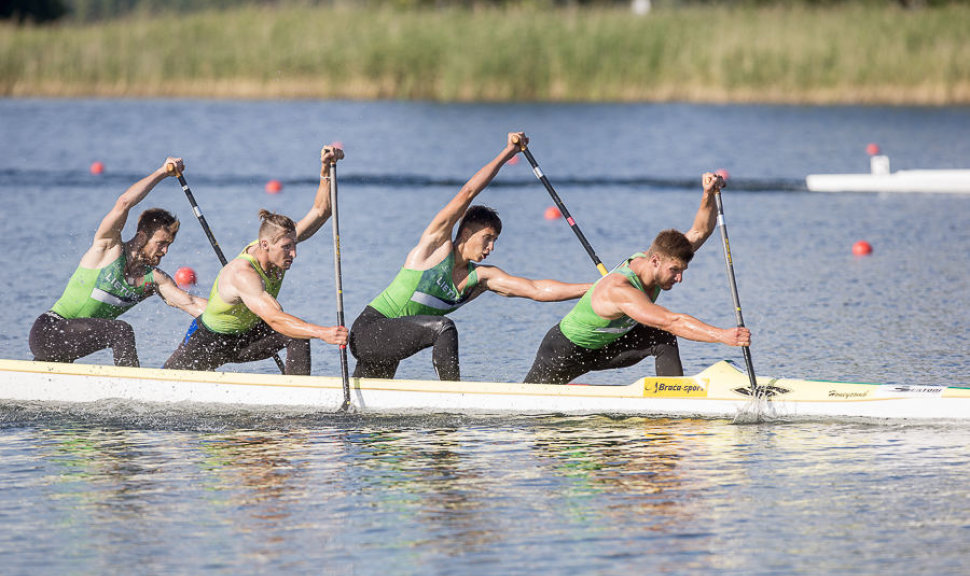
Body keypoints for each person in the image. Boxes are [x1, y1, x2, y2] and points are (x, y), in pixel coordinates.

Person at [350, 132, 593, 381]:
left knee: (366, 409)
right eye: (487, 238)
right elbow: (467, 192)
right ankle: (454, 399)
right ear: (466, 232)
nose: (490, 248)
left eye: (495, 241)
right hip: (369, 331)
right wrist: (508, 152)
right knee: (443, 328)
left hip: (391, 344)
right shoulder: (435, 248)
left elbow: (536, 289)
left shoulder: (481, 278)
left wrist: (593, 288)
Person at [523, 172, 751, 384]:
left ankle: (674, 399)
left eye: (682, 271)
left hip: (605, 346)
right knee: (528, 406)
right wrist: (723, 335)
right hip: (562, 352)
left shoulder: (662, 257)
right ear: (654, 261)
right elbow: (672, 321)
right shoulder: (619, 288)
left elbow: (700, 231)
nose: (679, 278)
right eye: (675, 271)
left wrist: (708, 194)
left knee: (662, 339)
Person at [164, 147, 348, 374]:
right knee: (167, 380)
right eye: (287, 248)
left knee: (298, 337)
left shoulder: (277, 244)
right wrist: (323, 332)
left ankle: (296, 398)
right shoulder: (243, 273)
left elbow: (322, 211)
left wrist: (325, 169)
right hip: (210, 341)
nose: (293, 254)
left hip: (248, 336)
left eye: (294, 245)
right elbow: (274, 318)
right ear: (264, 246)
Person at [29, 157, 208, 367]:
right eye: (160, 243)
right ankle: (133, 391)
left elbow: (193, 304)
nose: (165, 251)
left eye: (168, 245)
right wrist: (161, 172)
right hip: (49, 330)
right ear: (142, 236)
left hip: (71, 343)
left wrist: (244, 308)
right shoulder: (108, 248)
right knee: (121, 330)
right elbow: (124, 203)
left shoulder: (154, 279)